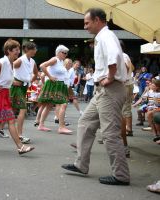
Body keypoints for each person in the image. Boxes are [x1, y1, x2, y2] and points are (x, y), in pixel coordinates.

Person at [62, 8, 130, 185]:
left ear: (98, 20)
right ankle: (81, 165)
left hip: (110, 89)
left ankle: (121, 176)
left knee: (110, 134)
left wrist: (109, 77)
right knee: (85, 123)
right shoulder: (102, 37)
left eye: (87, 22)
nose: (85, 26)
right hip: (103, 90)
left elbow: (114, 56)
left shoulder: (106, 36)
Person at [36, 45, 72, 134]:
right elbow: (42, 66)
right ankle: (61, 127)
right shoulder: (55, 59)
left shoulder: (60, 61)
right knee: (63, 104)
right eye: (64, 52)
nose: (65, 54)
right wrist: (50, 76)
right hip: (55, 85)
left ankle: (41, 125)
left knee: (49, 105)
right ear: (59, 52)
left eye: (66, 53)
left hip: (59, 85)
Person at [11, 41, 38, 144]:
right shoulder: (20, 60)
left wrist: (30, 80)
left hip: (24, 86)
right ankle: (19, 135)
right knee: (23, 109)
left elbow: (35, 73)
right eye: (34, 49)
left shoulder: (32, 61)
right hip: (16, 86)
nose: (35, 51)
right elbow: (7, 67)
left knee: (12, 109)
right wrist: (12, 80)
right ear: (28, 50)